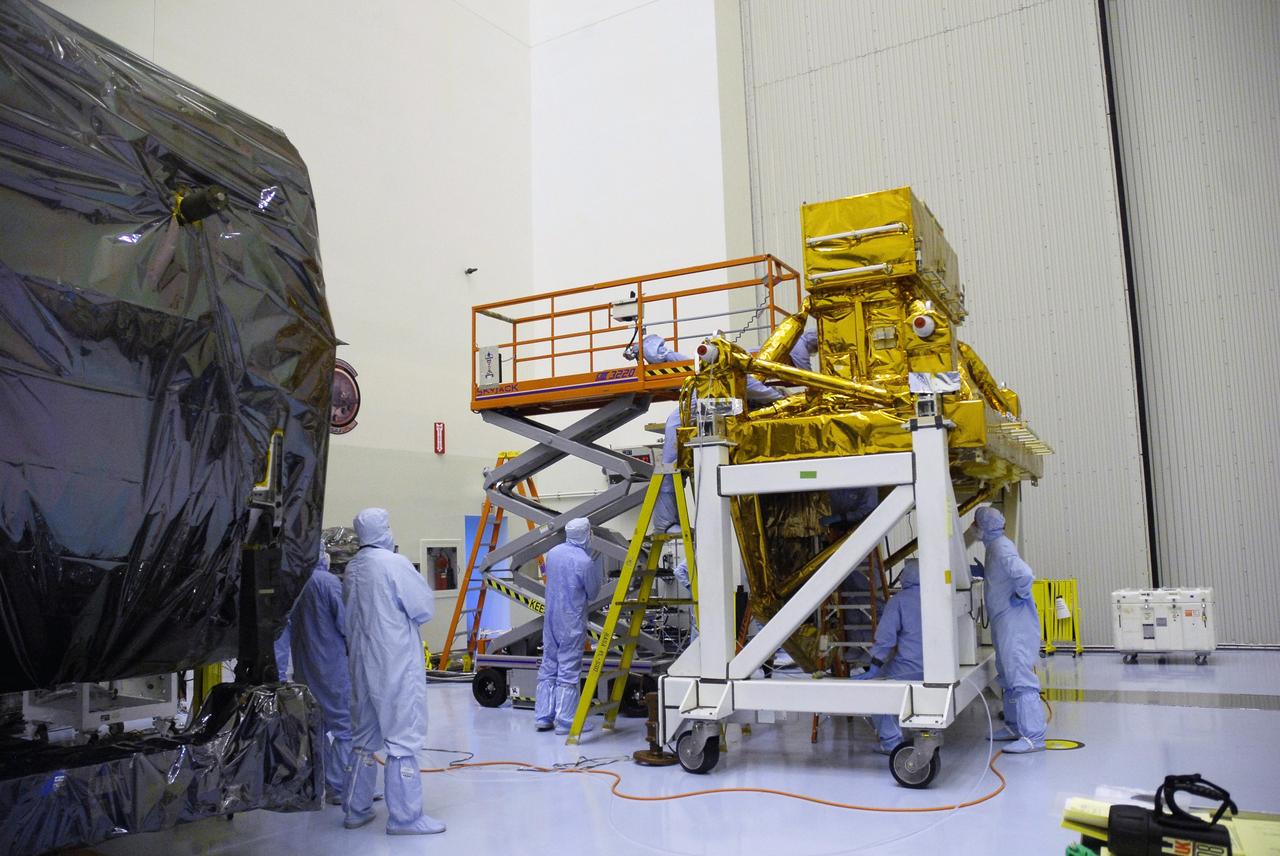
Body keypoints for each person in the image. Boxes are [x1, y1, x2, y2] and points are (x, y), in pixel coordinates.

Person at [342, 508, 445, 835]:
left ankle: (355, 810)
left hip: (361, 663)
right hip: (394, 664)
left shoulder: (353, 568)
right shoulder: (393, 564)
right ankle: (405, 818)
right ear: (382, 529)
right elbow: (423, 608)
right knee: (402, 739)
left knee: (363, 739)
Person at [970, 505, 1046, 754]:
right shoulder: (994, 547)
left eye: (976, 525)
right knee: (1008, 675)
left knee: (1020, 676)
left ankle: (1034, 736)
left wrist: (1020, 594)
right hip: (1005, 622)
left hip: (1016, 623)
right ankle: (1014, 726)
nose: (974, 530)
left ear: (984, 527)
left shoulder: (1001, 547)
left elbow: (1024, 574)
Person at [289, 545, 353, 805]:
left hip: (305, 667)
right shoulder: (328, 583)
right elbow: (346, 625)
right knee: (346, 727)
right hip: (331, 667)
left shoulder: (294, 585)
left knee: (316, 727)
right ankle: (341, 786)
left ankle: (321, 782)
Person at [534, 518, 603, 735]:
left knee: (548, 666)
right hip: (571, 620)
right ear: (585, 534)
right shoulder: (584, 562)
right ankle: (566, 722)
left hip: (551, 618)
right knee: (568, 670)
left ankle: (543, 717)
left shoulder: (553, 553)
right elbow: (592, 592)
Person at [854, 559, 923, 754]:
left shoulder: (899, 601)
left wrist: (874, 666)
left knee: (877, 691)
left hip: (909, 669)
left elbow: (885, 638)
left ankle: (892, 742)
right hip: (938, 669)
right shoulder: (937, 598)